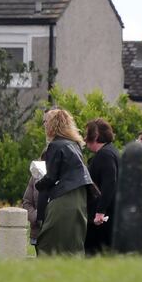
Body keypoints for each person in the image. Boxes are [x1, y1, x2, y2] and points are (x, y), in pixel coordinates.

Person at [35, 109, 92, 256]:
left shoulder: (55, 145)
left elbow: (51, 177)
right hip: (80, 197)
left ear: (52, 124)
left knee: (48, 241)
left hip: (65, 197)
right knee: (73, 241)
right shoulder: (74, 144)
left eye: (45, 121)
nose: (44, 124)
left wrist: (38, 184)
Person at [83, 118, 119, 255]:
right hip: (108, 216)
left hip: (102, 220)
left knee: (94, 254)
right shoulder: (111, 152)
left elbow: (110, 182)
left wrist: (100, 211)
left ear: (96, 136)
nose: (85, 139)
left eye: (88, 134)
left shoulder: (105, 155)